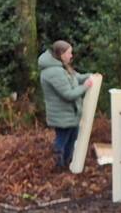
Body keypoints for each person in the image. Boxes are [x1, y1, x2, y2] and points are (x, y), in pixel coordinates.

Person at [37, 39, 87, 170]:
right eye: (69, 53)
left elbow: (78, 77)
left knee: (71, 139)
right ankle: (57, 166)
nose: (71, 56)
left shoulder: (63, 67)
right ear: (61, 54)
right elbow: (68, 94)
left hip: (70, 114)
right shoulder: (54, 72)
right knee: (62, 141)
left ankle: (67, 164)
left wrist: (91, 76)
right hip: (62, 115)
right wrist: (86, 87)